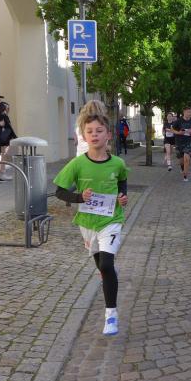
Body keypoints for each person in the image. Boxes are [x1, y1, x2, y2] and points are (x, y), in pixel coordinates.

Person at [54, 102, 129, 335]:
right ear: (84, 136)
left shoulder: (118, 163)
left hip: (111, 220)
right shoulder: (77, 164)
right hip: (87, 223)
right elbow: (59, 192)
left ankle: (111, 316)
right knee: (103, 267)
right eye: (90, 131)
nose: (94, 135)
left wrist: (122, 196)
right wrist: (80, 197)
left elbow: (122, 181)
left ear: (108, 135)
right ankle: (109, 276)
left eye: (99, 131)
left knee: (106, 265)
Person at [172, 107, 191, 182]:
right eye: (187, 112)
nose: (189, 113)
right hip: (179, 142)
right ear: (184, 112)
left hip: (188, 142)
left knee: (186, 158)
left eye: (190, 112)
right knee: (181, 161)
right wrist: (179, 132)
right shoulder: (178, 121)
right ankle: (183, 169)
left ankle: (185, 176)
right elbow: (172, 129)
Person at [0, 101, 17, 180]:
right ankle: (2, 173)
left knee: (3, 155)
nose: (8, 110)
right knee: (3, 155)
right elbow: (8, 127)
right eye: (8, 108)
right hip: (4, 138)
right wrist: (15, 136)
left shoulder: (0, 115)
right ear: (5, 108)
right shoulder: (3, 115)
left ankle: (1, 172)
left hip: (4, 137)